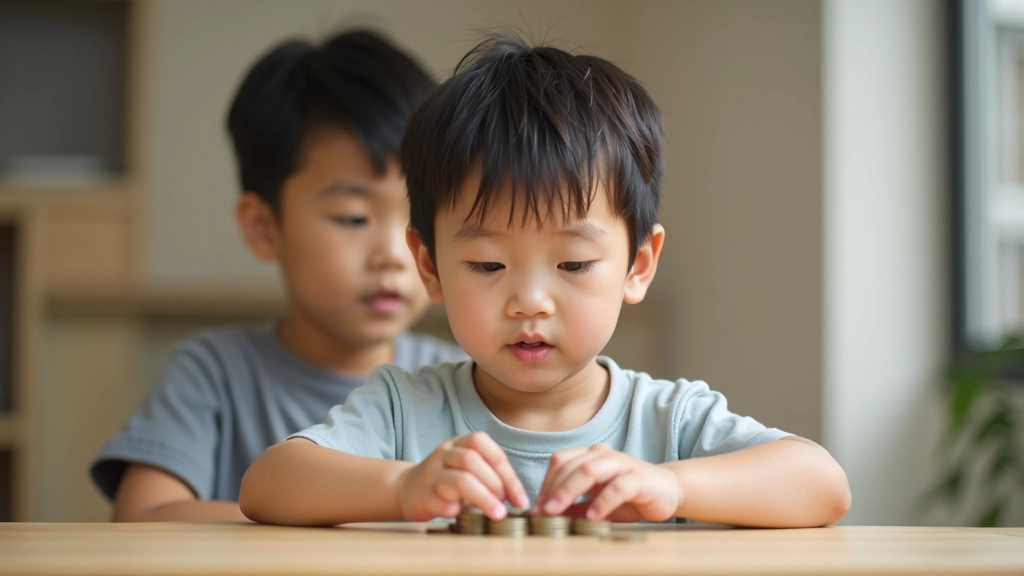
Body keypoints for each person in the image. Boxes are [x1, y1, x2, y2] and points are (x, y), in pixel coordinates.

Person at [238, 34, 851, 528]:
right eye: (487, 265)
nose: (529, 301)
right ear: (430, 267)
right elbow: (269, 484)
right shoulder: (405, 411)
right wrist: (402, 485)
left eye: (574, 265)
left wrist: (671, 484)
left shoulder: (666, 421)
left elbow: (822, 483)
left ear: (638, 264)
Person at [90, 30, 466, 522]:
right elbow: (143, 516)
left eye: (414, 221)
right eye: (354, 217)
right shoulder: (212, 374)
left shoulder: (464, 378)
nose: (394, 255)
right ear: (264, 228)